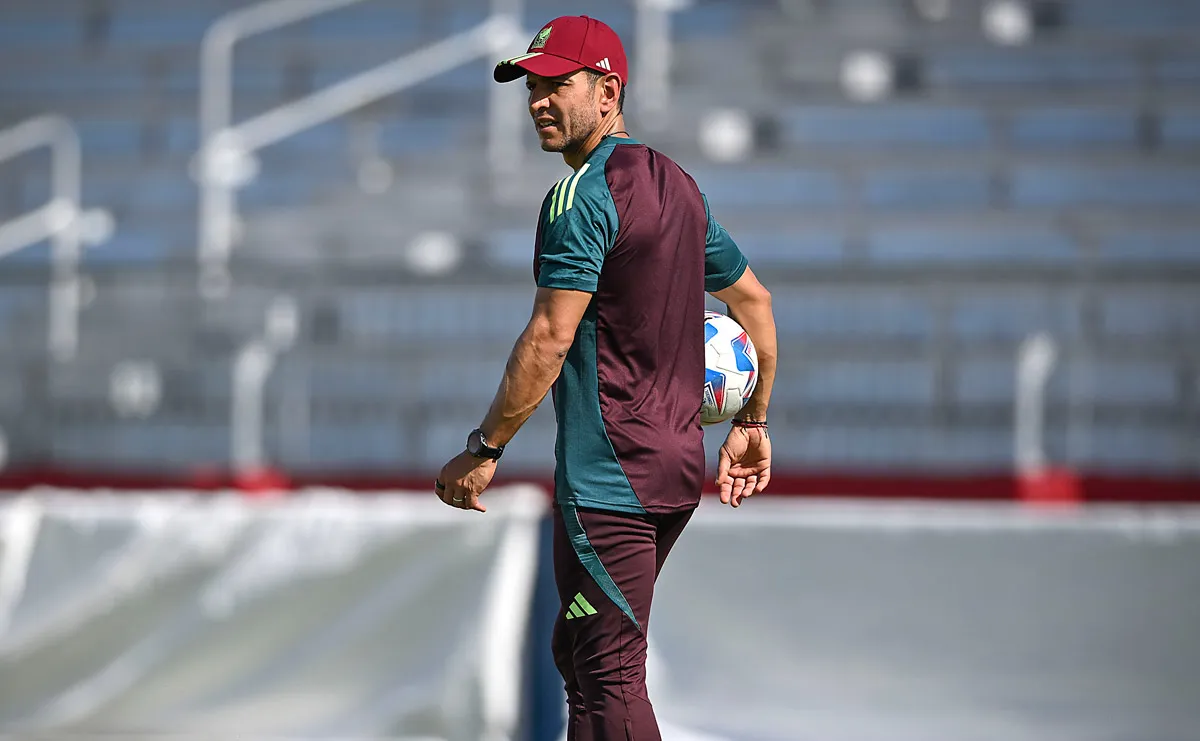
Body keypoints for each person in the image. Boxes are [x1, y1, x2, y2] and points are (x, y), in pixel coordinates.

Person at [435, 15, 777, 741]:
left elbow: (549, 337)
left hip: (609, 477)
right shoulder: (679, 186)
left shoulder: (583, 196)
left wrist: (484, 448)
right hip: (670, 469)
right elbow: (753, 302)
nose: (537, 101)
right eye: (532, 86)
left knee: (610, 673)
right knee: (585, 662)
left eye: (556, 83)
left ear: (608, 89)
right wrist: (752, 423)